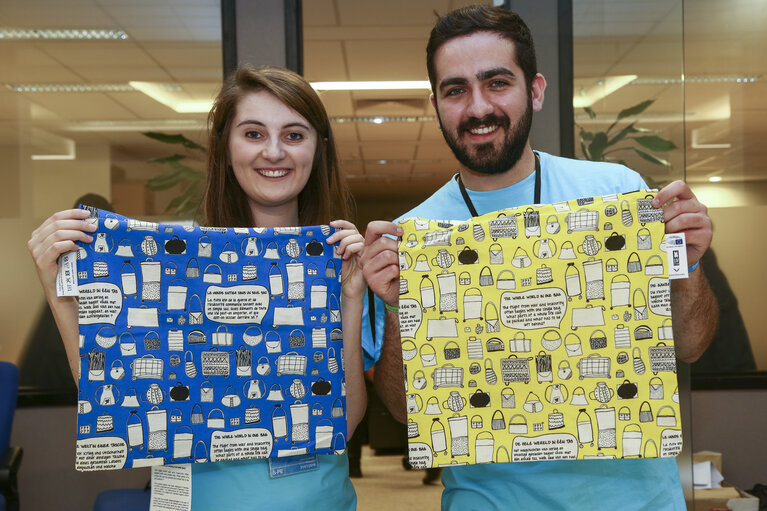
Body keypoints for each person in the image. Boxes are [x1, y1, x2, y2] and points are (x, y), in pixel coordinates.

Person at [359, 5, 718, 510]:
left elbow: (691, 345)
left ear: (536, 90)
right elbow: (403, 411)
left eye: (497, 82)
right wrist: (398, 307)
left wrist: (689, 266)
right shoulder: (415, 235)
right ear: (437, 104)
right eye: (455, 89)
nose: (478, 107)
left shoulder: (617, 195)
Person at [28, 65, 368, 510]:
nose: (273, 151)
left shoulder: (340, 264)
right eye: (252, 133)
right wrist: (58, 291)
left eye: (293, 135)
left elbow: (343, 424)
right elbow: (116, 395)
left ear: (317, 150)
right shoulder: (173, 269)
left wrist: (351, 297)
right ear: (226, 148)